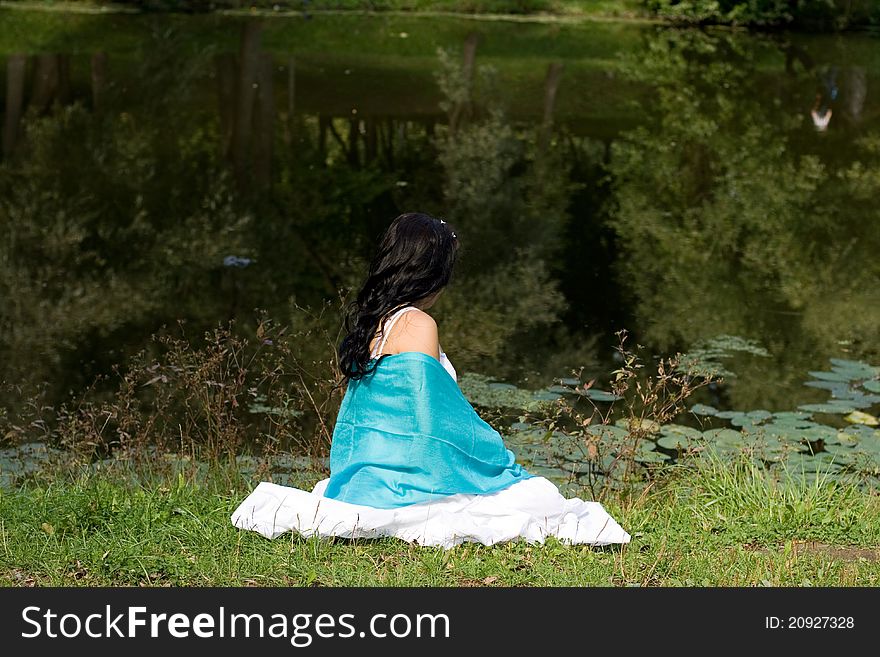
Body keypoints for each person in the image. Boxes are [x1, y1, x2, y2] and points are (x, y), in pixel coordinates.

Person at [232, 212, 630, 548]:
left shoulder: (376, 323)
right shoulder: (417, 322)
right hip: (408, 477)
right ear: (431, 273)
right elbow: (430, 420)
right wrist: (491, 456)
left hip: (369, 472)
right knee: (537, 497)